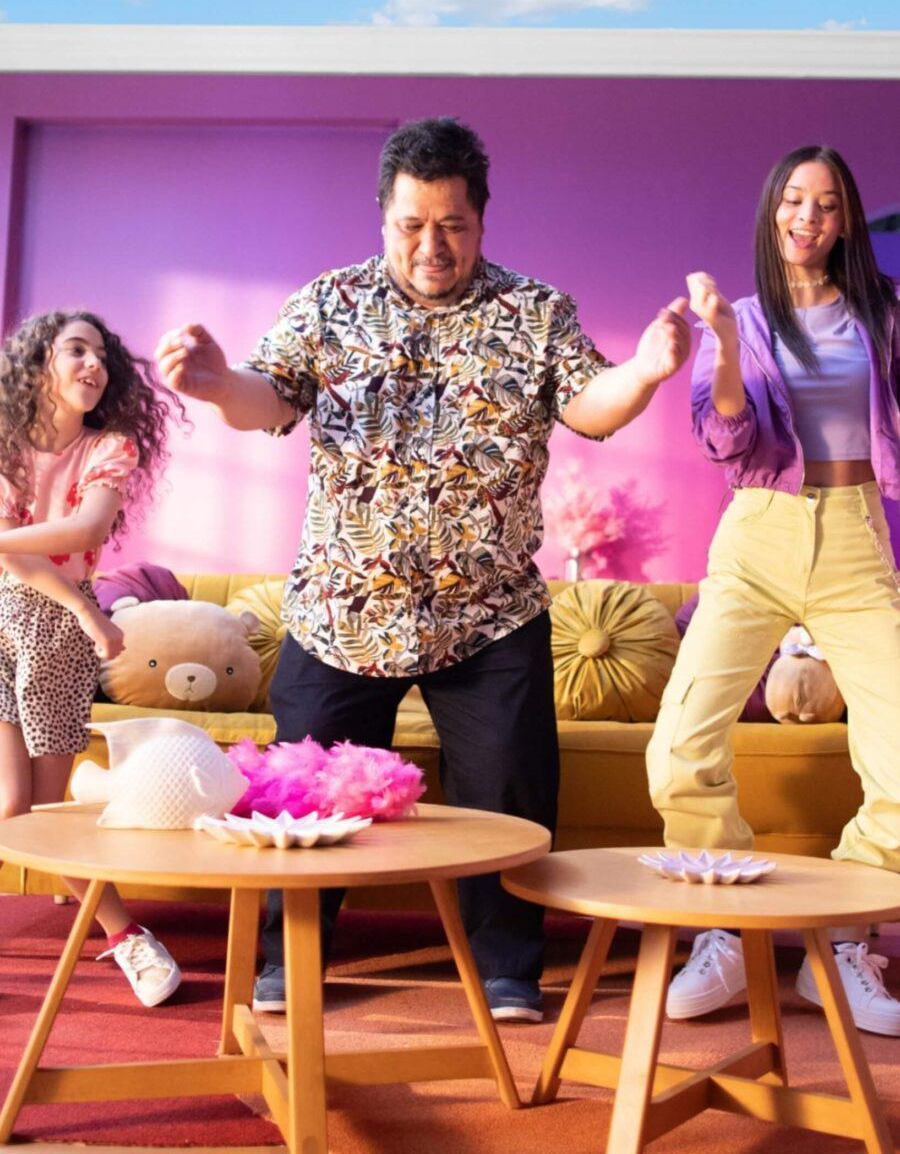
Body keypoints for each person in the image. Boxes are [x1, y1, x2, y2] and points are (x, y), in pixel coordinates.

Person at [156, 116, 691, 1022]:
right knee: (301, 793)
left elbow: (593, 410)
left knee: (510, 798)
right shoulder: (328, 304)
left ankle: (508, 967)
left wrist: (642, 370)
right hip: (342, 607)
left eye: (452, 225)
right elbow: (265, 396)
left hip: (489, 615)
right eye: (411, 225)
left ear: (482, 219)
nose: (431, 245)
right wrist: (212, 384)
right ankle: (292, 959)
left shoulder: (535, 311)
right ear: (382, 215)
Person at [646, 146, 900, 1037]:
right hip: (758, 533)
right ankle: (725, 930)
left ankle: (845, 940)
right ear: (772, 212)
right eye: (794, 199)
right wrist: (719, 345)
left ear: (845, 221)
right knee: (678, 745)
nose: (808, 217)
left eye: (827, 204)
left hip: (857, 538)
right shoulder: (743, 320)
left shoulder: (884, 313)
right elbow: (730, 442)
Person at [0, 310, 184, 1007]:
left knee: (38, 809)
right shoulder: (3, 441)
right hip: (25, 607)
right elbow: (14, 557)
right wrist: (89, 611)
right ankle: (127, 934)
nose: (94, 365)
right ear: (38, 362)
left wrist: (79, 611)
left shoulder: (111, 447)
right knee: (9, 803)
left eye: (103, 355)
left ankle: (126, 935)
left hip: (53, 626)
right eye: (76, 349)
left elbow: (82, 529)